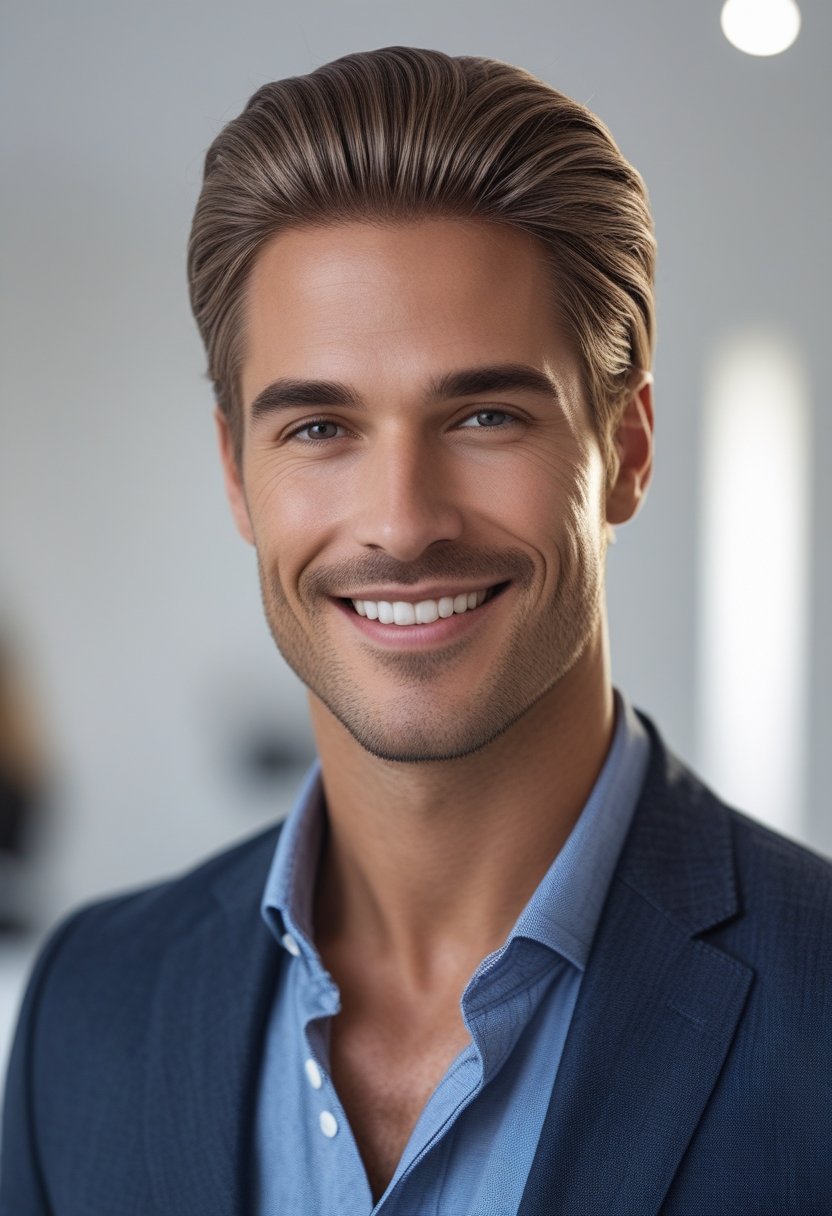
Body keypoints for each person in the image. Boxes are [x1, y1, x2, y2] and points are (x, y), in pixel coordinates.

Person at [2, 45, 830, 1216]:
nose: (400, 523)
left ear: (626, 452)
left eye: (485, 413)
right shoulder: (87, 1011)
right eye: (319, 428)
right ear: (236, 474)